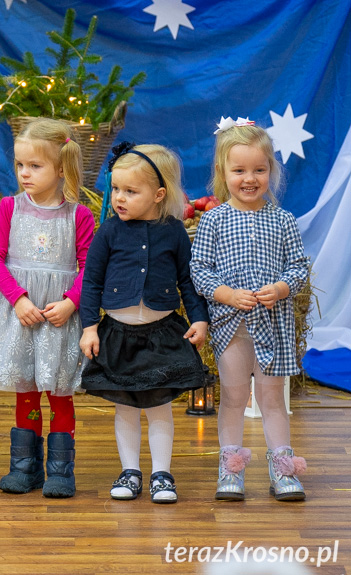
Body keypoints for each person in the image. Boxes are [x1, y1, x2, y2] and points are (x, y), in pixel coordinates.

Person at [79, 142, 209, 504]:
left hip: (160, 335)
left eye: (130, 191)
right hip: (118, 334)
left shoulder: (174, 232)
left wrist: (199, 319)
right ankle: (130, 471)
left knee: (159, 407)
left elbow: (188, 281)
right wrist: (90, 328)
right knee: (126, 407)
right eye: (116, 189)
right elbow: (91, 282)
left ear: (158, 194)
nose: (119, 198)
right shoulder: (108, 232)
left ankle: (161, 474)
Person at [191, 118, 310, 502]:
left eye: (259, 169)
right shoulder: (213, 220)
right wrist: (225, 294)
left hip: (272, 323)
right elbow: (199, 269)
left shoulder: (283, 220)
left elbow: (297, 266)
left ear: (271, 172)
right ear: (222, 173)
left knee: (273, 397)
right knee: (234, 397)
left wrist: (280, 287)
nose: (249, 178)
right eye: (239, 170)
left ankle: (283, 470)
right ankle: (231, 470)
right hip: (232, 327)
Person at [0, 118, 94, 498]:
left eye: (35, 165)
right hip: (22, 315)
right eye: (19, 165)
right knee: (26, 390)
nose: (24, 173)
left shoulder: (78, 215)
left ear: (61, 169)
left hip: (59, 317)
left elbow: (88, 266)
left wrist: (70, 302)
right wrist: (19, 299)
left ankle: (61, 471)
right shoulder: (10, 208)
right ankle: (24, 467)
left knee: (59, 390)